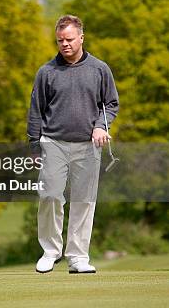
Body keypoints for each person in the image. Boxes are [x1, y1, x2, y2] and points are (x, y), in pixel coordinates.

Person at [27, 15, 119, 274]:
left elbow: (111, 104)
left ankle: (78, 257)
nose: (64, 44)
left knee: (84, 201)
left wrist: (102, 125)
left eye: (69, 39)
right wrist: (35, 146)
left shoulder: (100, 69)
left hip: (88, 146)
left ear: (81, 37)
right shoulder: (46, 72)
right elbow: (36, 111)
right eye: (59, 40)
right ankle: (50, 251)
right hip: (52, 142)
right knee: (50, 195)